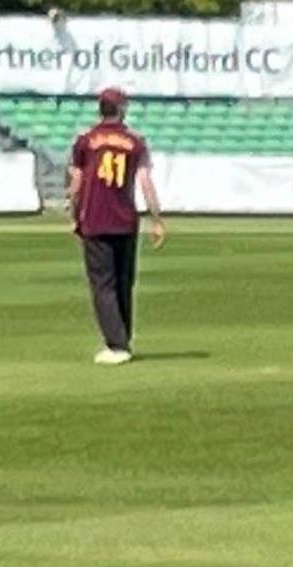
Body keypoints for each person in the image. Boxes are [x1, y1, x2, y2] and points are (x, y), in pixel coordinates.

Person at [65, 87, 164, 364]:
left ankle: (116, 344)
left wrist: (73, 214)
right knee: (123, 282)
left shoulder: (86, 141)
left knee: (102, 284)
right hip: (125, 220)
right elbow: (145, 182)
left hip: (95, 219)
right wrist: (156, 218)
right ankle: (124, 339)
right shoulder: (136, 142)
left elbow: (76, 182)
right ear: (121, 109)